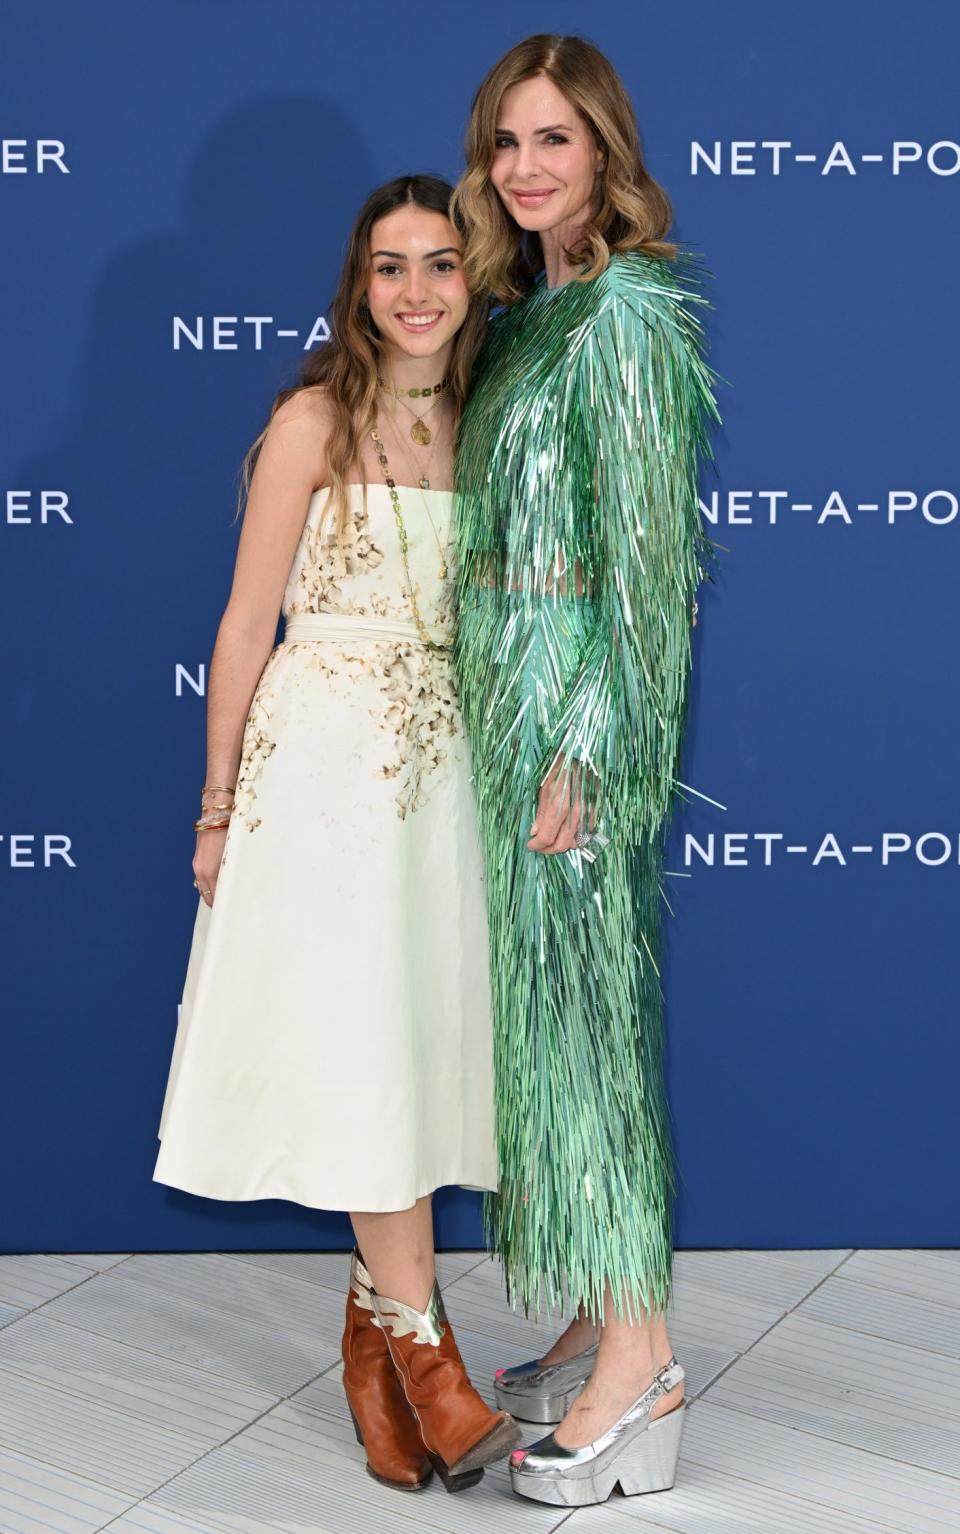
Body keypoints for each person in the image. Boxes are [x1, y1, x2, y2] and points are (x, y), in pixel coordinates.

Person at [153, 174, 521, 1494]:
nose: (416, 290)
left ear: (473, 280)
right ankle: (428, 1359)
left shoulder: (495, 424)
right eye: (388, 267)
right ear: (356, 286)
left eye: (439, 264)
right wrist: (214, 806)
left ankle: (375, 1361)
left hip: (448, 779)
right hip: (320, 777)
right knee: (366, 1047)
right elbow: (245, 626)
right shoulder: (313, 420)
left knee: (411, 1058)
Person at [451, 35, 721, 1506]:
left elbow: (650, 573)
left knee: (586, 1027)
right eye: (505, 142)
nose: (528, 168)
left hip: (571, 699)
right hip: (497, 693)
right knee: (536, 1027)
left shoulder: (628, 313)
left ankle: (645, 1356)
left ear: (606, 149)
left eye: (555, 139)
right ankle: (597, 1300)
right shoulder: (531, 309)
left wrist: (595, 747)